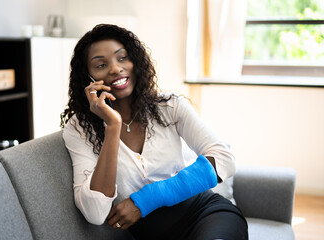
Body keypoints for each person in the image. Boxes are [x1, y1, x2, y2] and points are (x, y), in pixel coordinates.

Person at [61, 24, 248, 240]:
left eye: (122, 58)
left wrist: (146, 200)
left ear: (135, 61)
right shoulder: (79, 129)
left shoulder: (170, 107)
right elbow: (95, 213)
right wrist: (113, 127)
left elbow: (225, 160)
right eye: (101, 64)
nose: (115, 68)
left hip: (205, 213)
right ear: (89, 79)